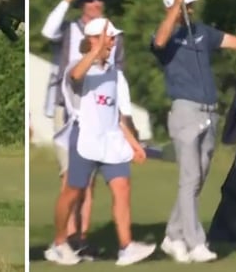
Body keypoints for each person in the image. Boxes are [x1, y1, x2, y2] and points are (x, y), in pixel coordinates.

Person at [151, 0, 236, 263]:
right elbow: (159, 41)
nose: (191, 9)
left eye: (190, 4)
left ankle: (173, 235)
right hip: (185, 112)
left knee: (198, 179)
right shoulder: (166, 36)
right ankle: (195, 242)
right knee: (190, 179)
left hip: (209, 113)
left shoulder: (203, 32)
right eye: (185, 5)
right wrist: (175, 7)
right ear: (173, 8)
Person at [44, 17, 156, 266]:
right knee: (73, 192)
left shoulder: (116, 75)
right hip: (84, 138)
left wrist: (134, 145)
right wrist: (94, 50)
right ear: (94, 39)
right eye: (109, 37)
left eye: (113, 37)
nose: (113, 42)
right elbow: (74, 76)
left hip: (111, 141)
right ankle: (59, 243)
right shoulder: (79, 65)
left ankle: (126, 247)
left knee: (122, 187)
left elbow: (117, 116)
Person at [40, 0, 136, 258]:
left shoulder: (113, 36)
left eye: (99, 0)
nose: (95, 5)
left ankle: (80, 237)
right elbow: (47, 31)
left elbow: (117, 76)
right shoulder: (70, 29)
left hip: (99, 112)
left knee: (90, 179)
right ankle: (65, 239)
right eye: (90, 0)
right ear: (82, 4)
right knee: (71, 178)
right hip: (67, 107)